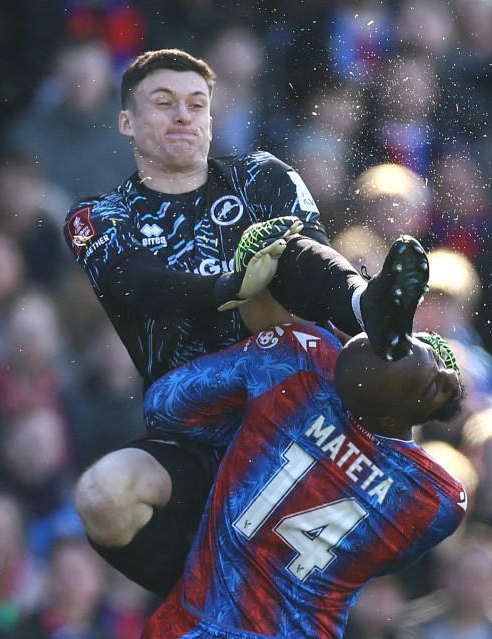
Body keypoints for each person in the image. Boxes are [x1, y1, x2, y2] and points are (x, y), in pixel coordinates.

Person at [66, 48, 431, 595]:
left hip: (302, 420)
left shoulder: (259, 175)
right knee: (102, 496)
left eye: (196, 105)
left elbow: (308, 266)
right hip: (197, 432)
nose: (183, 115)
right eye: (162, 103)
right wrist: (226, 288)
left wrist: (276, 288)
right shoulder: (98, 217)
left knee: (284, 253)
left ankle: (370, 307)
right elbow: (139, 286)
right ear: (127, 122)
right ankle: (213, 597)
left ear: (213, 120)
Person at [137, 286, 467, 638]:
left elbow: (163, 405)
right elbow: (378, 562)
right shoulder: (435, 498)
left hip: (194, 624)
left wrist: (251, 433)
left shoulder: (300, 360)